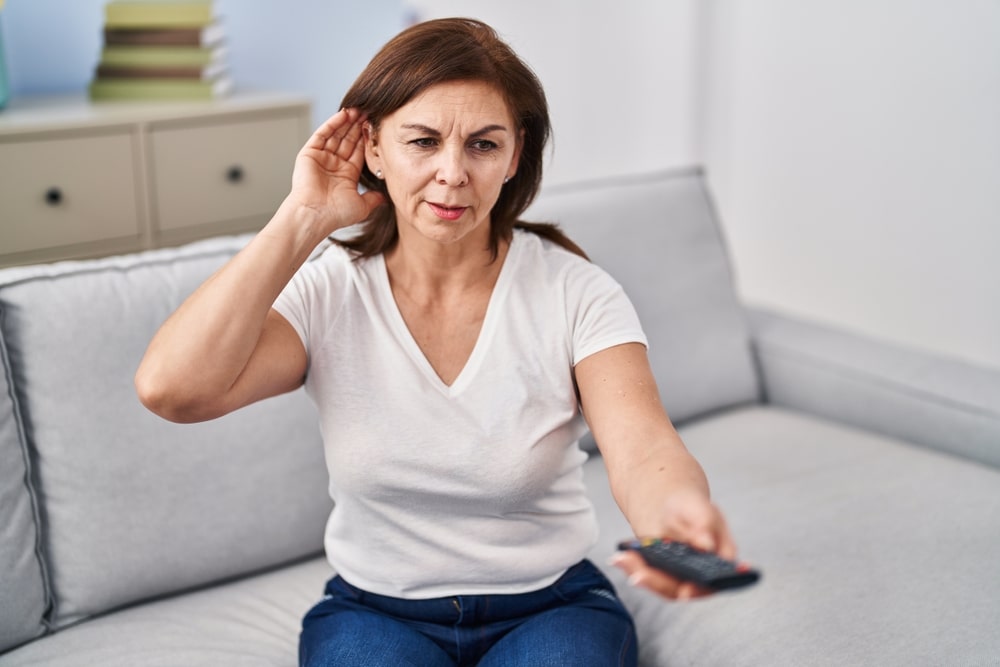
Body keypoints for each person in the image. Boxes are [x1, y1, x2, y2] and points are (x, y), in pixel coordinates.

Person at [135, 17, 738, 667]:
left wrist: (676, 517)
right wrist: (303, 217)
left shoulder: (577, 291)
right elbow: (173, 389)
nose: (452, 173)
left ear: (514, 153)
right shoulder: (330, 292)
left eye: (483, 144)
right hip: (374, 609)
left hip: (551, 604)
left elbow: (642, 446)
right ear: (372, 147)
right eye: (422, 141)